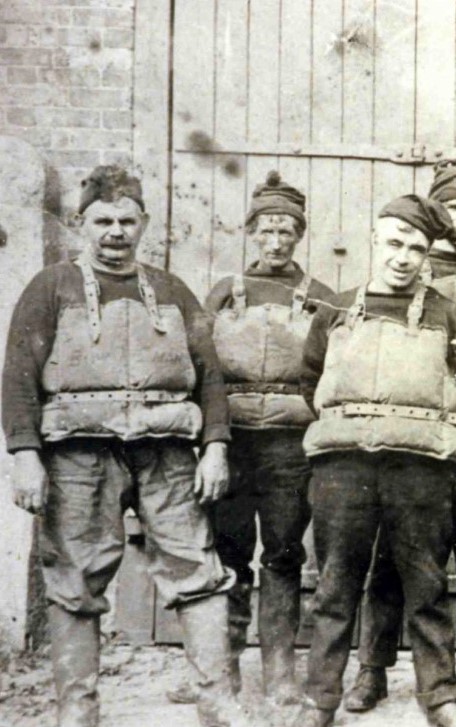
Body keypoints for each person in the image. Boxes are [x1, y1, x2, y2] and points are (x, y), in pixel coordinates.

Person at [4, 166, 251, 726]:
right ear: (79, 225)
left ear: (144, 225)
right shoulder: (50, 288)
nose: (115, 232)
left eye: (127, 220)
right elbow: (18, 374)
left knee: (197, 571)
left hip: (166, 453)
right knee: (74, 579)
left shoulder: (171, 289)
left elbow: (210, 375)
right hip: (77, 455)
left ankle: (219, 704)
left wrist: (215, 447)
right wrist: (25, 455)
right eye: (103, 221)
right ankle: (77, 713)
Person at [291, 194, 456, 727]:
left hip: (419, 471)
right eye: (395, 244)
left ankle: (441, 696)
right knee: (334, 584)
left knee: (426, 585)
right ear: (375, 241)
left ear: (427, 255)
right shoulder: (336, 309)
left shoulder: (449, 315)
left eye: (416, 249)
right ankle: (319, 699)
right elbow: (311, 378)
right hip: (344, 467)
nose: (403, 258)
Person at [344, 161, 456, 713]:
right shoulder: (406, 270)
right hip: (411, 432)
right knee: (391, 551)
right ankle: (372, 666)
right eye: (455, 209)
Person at [169, 172, 332, 708]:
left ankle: (281, 668)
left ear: (300, 235)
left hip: (291, 444)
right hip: (234, 441)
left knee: (284, 553)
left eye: (287, 230)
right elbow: (197, 365)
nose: (277, 240)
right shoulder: (223, 292)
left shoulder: (321, 299)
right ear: (252, 233)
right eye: (267, 230)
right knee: (230, 552)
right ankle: (225, 666)